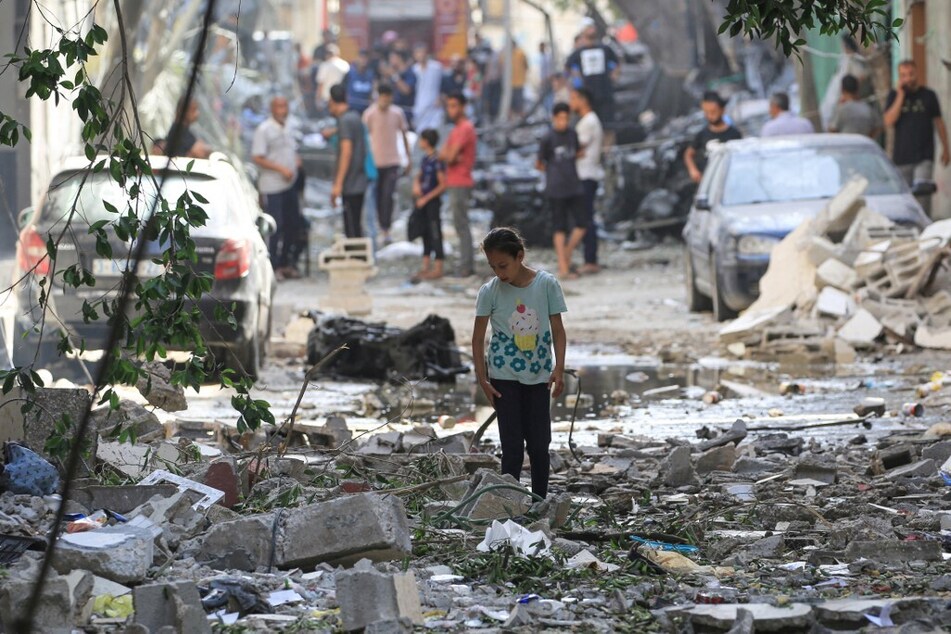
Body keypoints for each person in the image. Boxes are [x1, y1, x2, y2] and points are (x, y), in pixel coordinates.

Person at [472, 227, 567, 499]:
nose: (499, 273)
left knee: (539, 444)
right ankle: (509, 504)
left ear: (520, 256)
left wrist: (558, 368)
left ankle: (539, 501)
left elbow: (558, 330)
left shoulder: (546, 284)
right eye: (493, 267)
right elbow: (478, 338)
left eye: (503, 265)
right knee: (511, 445)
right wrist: (483, 379)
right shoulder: (489, 291)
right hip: (503, 376)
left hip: (538, 376)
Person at [884, 59, 950, 215]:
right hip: (902, 157)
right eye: (903, 75)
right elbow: (888, 121)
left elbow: (939, 123)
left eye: (911, 74)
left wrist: (946, 148)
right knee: (905, 199)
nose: (908, 78)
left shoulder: (929, 95)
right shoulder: (894, 95)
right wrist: (900, 95)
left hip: (924, 155)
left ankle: (924, 229)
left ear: (916, 74)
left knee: (922, 195)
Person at [251, 96, 302, 278]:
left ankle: (285, 263)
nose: (283, 111)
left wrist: (295, 162)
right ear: (272, 109)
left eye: (285, 106)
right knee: (275, 226)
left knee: (293, 224)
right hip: (272, 186)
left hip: (290, 184)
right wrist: (280, 168)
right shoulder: (264, 130)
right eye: (279, 107)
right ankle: (270, 267)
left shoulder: (290, 126)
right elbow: (257, 157)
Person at [537, 102, 584, 278]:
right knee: (559, 226)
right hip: (556, 187)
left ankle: (566, 253)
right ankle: (563, 267)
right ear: (554, 118)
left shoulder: (572, 134)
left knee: (581, 223)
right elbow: (539, 163)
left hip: (574, 184)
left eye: (566, 118)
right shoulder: (548, 138)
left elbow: (578, 152)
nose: (563, 121)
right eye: (560, 118)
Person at [363, 84, 411, 246]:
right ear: (378, 97)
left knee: (387, 196)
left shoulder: (397, 113)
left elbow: (404, 135)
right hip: (375, 163)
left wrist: (408, 158)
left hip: (392, 161)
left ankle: (386, 229)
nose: (385, 101)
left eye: (388, 97)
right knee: (376, 196)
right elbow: (364, 138)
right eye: (383, 97)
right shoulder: (369, 114)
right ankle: (379, 227)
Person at [440, 93, 477, 277]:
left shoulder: (465, 128)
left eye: (454, 105)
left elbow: (449, 156)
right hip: (455, 180)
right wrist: (450, 156)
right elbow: (444, 154)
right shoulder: (456, 130)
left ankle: (466, 265)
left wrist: (452, 156)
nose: (451, 109)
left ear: (462, 106)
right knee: (459, 223)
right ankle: (465, 263)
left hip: (461, 181)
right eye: (449, 106)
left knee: (461, 224)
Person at [328, 83, 369, 238]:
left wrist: (338, 184)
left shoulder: (345, 121)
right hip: (359, 180)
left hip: (350, 184)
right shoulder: (354, 117)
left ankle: (356, 259)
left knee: (351, 228)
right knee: (356, 225)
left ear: (332, 101)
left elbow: (346, 152)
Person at [570, 88, 604, 275]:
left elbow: (576, 148)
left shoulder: (588, 121)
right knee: (585, 217)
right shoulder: (587, 121)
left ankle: (590, 260)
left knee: (586, 219)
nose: (571, 102)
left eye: (574, 98)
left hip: (586, 174)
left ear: (583, 100)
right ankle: (588, 258)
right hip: (584, 174)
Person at [565, 24, 620, 135]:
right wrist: (576, 76)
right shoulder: (579, 52)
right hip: (589, 95)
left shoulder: (604, 48)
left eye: (592, 28)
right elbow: (567, 66)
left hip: (605, 93)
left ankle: (607, 150)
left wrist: (614, 75)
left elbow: (617, 63)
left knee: (608, 126)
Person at [684, 92, 743, 184]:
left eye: (713, 112)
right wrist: (693, 170)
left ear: (722, 110)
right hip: (709, 182)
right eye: (706, 112)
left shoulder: (734, 134)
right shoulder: (702, 134)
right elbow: (688, 154)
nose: (710, 116)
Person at [412, 129, 447, 281]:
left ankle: (438, 267)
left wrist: (426, 198)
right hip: (423, 201)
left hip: (432, 202)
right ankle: (425, 267)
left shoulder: (437, 160)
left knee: (435, 233)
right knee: (425, 233)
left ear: (426, 141)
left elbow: (442, 185)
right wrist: (416, 185)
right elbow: (419, 176)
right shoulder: (426, 159)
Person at [413, 44, 445, 131]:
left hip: (435, 106)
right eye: (418, 53)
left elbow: (444, 84)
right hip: (420, 107)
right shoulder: (414, 70)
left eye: (423, 52)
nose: (421, 55)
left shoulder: (437, 67)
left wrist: (441, 97)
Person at [385, 51, 417, 126]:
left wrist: (394, 76)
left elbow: (406, 90)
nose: (390, 61)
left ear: (399, 58)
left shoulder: (409, 73)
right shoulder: (393, 73)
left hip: (406, 113)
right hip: (393, 112)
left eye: (392, 58)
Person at [315, 44, 349, 113]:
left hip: (328, 100)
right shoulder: (345, 65)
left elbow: (321, 84)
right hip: (340, 100)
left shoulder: (324, 66)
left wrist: (317, 99)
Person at [346, 49, 376, 114]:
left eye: (365, 58)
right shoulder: (350, 73)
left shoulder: (370, 75)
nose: (363, 60)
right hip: (352, 110)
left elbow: (373, 92)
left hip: (366, 111)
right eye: (361, 58)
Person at [510, 40, 529, 118]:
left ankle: (521, 117)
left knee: (519, 101)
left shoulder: (520, 53)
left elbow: (526, 65)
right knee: (512, 102)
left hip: (519, 82)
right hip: (510, 83)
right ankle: (514, 117)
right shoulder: (507, 54)